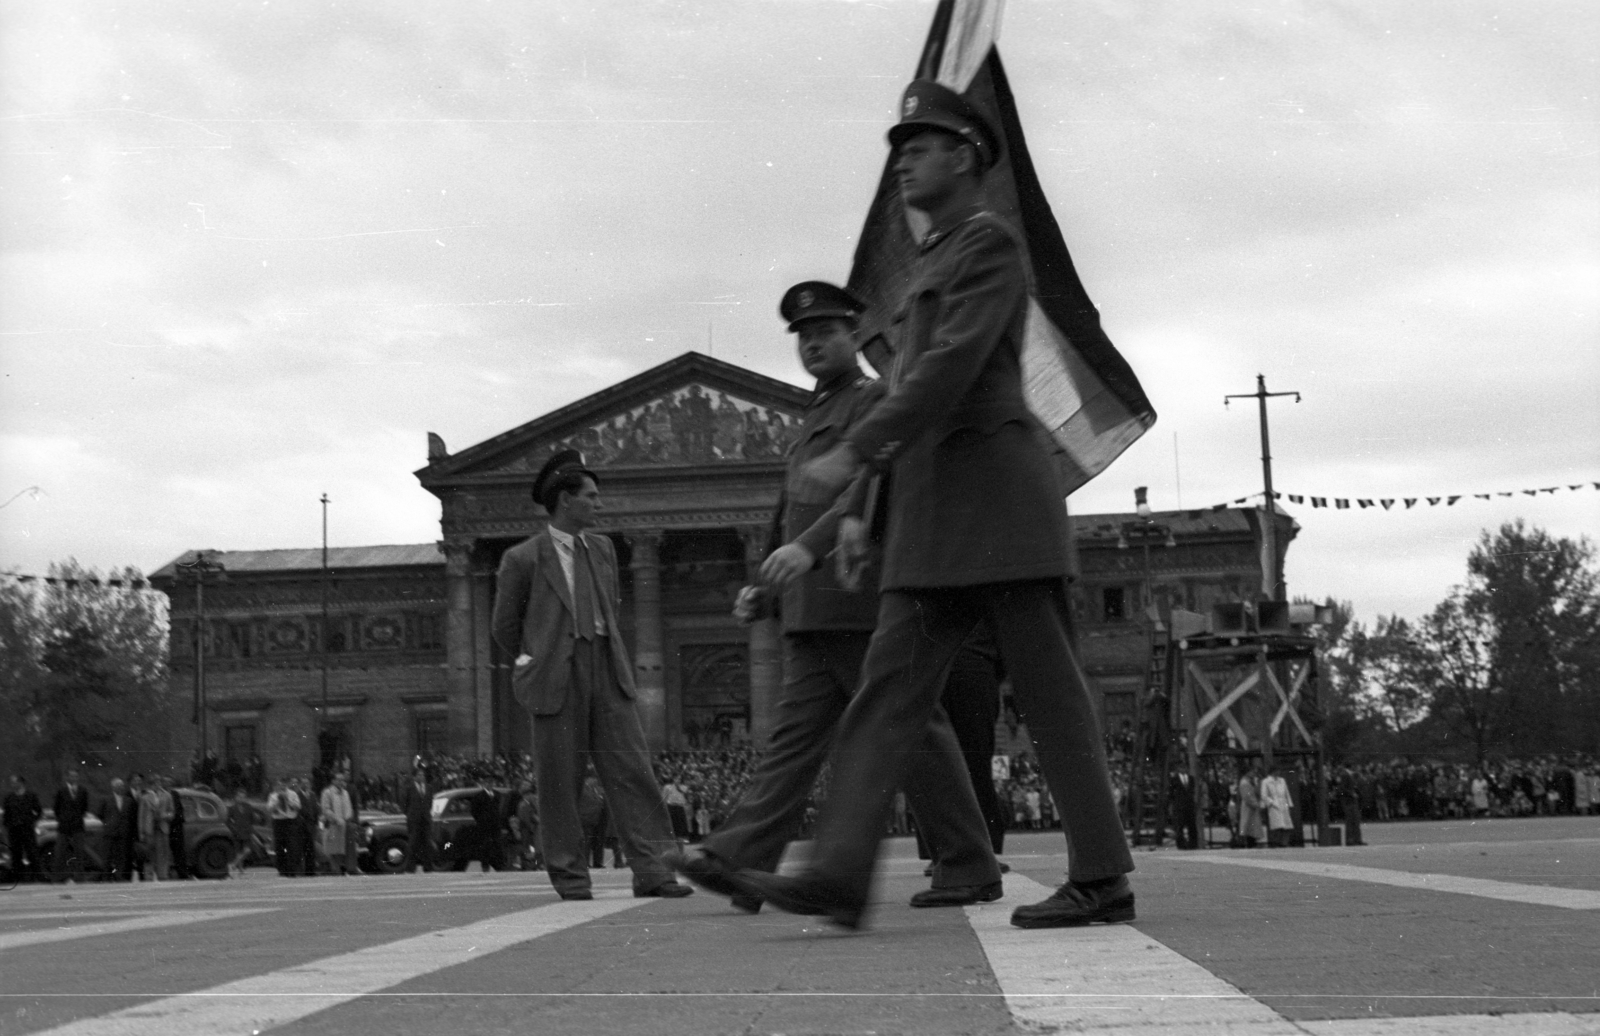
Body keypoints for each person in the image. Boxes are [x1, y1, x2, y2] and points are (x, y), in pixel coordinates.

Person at [731, 81, 1136, 930]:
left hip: (996, 506)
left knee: (1051, 698)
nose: (905, 160)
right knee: (885, 696)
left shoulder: (987, 248)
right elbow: (914, 395)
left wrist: (855, 455)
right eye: (901, 148)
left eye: (920, 146)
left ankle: (1102, 875)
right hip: (932, 521)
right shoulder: (935, 261)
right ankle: (839, 874)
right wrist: (859, 514)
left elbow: (944, 373)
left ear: (965, 157)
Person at [670, 281, 1002, 914]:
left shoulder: (873, 401)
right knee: (797, 743)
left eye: (827, 331)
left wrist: (807, 553)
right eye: (804, 335)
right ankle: (737, 861)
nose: (814, 343)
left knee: (912, 735)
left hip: (854, 600)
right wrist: (764, 591)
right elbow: (789, 513)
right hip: (810, 610)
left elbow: (865, 495)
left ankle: (968, 861)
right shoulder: (814, 416)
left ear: (856, 336)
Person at [490, 450, 692, 901]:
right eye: (591, 496)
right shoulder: (522, 559)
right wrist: (535, 658)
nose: (599, 504)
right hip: (556, 676)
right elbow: (504, 627)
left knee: (633, 770)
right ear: (566, 500)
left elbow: (611, 606)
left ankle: (656, 872)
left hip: (605, 665)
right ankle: (571, 878)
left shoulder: (602, 549)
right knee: (561, 781)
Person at [3, 774, 44, 882]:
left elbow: (38, 811)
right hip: (14, 830)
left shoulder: (31, 796)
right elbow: (6, 814)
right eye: (11, 783)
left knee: (32, 853)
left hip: (27, 829)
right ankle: (18, 878)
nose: (13, 785)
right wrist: (8, 825)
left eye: (15, 782)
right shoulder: (9, 798)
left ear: (21, 783)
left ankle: (39, 877)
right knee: (16, 854)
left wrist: (32, 821)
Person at [53, 769, 92, 883]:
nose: (74, 778)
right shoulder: (61, 791)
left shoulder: (83, 791)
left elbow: (84, 808)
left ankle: (80, 878)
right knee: (59, 852)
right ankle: (57, 877)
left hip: (78, 826)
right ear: (67, 778)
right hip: (64, 827)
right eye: (71, 776)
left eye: (76, 776)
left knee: (79, 852)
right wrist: (64, 819)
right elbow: (56, 809)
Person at [319, 773, 358, 876]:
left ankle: (347, 869)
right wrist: (336, 819)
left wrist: (348, 817)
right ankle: (335, 870)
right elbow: (326, 809)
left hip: (345, 824)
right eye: (339, 780)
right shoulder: (327, 793)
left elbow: (349, 807)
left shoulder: (345, 793)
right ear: (333, 781)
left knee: (344, 849)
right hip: (334, 824)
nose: (341, 782)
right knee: (334, 849)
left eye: (342, 780)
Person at [101, 777, 139, 881]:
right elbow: (100, 814)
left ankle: (119, 877)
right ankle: (106, 877)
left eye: (122, 786)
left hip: (124, 833)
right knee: (107, 857)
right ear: (113, 787)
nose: (121, 788)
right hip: (110, 832)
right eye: (118, 786)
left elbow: (132, 817)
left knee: (121, 857)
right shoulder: (106, 799)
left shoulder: (129, 801)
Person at [399, 767, 435, 874]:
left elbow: (430, 803)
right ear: (415, 777)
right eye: (419, 775)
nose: (421, 777)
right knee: (413, 843)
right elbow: (404, 803)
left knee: (427, 843)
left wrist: (427, 814)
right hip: (414, 820)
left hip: (426, 819)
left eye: (423, 775)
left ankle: (428, 867)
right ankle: (411, 867)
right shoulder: (409, 788)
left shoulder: (429, 788)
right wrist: (410, 814)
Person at [266, 778, 300, 877]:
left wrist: (288, 799)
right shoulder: (273, 795)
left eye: (284, 785)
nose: (282, 787)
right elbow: (269, 808)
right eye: (280, 785)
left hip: (290, 821)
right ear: (278, 785)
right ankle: (282, 870)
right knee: (280, 846)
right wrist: (277, 802)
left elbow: (298, 807)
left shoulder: (293, 794)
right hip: (278, 821)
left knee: (292, 845)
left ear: (287, 785)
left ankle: (292, 870)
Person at [227, 787, 255, 878]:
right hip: (237, 832)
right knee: (239, 852)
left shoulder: (249, 807)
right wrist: (232, 829)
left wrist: (250, 828)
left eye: (243, 797)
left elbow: (252, 819)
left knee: (247, 850)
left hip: (247, 832)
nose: (241, 798)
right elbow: (228, 821)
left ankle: (233, 865)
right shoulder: (232, 808)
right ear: (236, 797)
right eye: (239, 796)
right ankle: (241, 870)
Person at [167, 777, 190, 879]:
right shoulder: (161, 794)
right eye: (167, 783)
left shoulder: (175, 794)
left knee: (179, 851)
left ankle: (182, 873)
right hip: (166, 825)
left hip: (176, 826)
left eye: (170, 783)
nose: (168, 785)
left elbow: (180, 809)